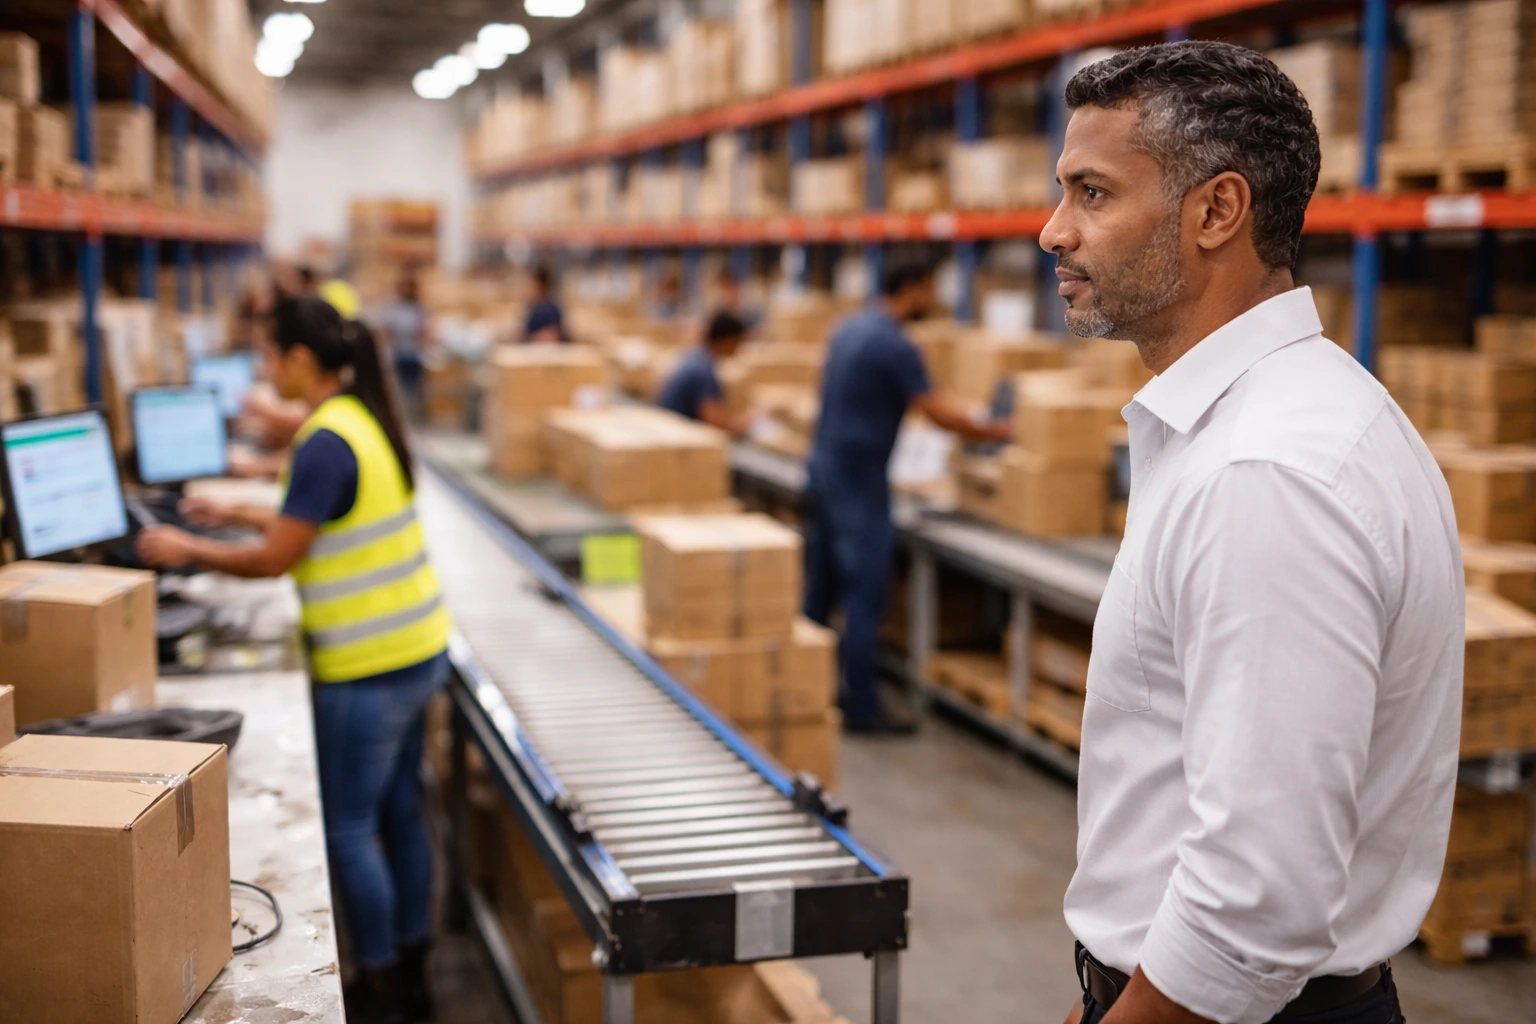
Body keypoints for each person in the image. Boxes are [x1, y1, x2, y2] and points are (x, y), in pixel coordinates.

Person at [1043, 43, 1461, 1024]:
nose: (1054, 230)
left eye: (1093, 193)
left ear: (1216, 212)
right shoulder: (1293, 417)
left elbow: (1254, 906)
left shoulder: (1268, 474)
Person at [137, 296, 452, 1024]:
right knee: (402, 815)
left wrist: (189, 549)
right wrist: (236, 512)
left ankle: (376, 986)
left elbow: (281, 558)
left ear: (299, 360)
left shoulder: (322, 440)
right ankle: (413, 968)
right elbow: (317, 515)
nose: (263, 368)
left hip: (366, 671)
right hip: (417, 652)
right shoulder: (362, 419)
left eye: (268, 354)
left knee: (349, 830)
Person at [805, 255, 1011, 734]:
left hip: (823, 468)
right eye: (931, 289)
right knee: (863, 597)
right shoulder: (894, 344)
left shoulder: (849, 327)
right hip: (858, 481)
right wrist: (993, 429)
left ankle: (807, 694)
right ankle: (860, 709)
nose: (934, 300)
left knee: (820, 592)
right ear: (916, 287)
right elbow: (934, 410)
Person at [655, 310, 757, 435]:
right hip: (675, 434)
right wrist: (750, 418)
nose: (739, 348)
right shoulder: (702, 372)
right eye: (738, 342)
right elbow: (716, 423)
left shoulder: (696, 357)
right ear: (728, 340)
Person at [381, 272, 430, 421]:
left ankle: (415, 416)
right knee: (400, 389)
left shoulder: (418, 309)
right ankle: (402, 416)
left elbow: (424, 331)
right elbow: (387, 330)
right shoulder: (395, 308)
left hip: (415, 354)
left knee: (415, 388)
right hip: (399, 353)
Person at [523, 264, 565, 343]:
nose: (529, 289)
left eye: (532, 285)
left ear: (541, 286)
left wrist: (531, 337)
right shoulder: (533, 307)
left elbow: (553, 335)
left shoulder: (552, 309)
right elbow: (526, 330)